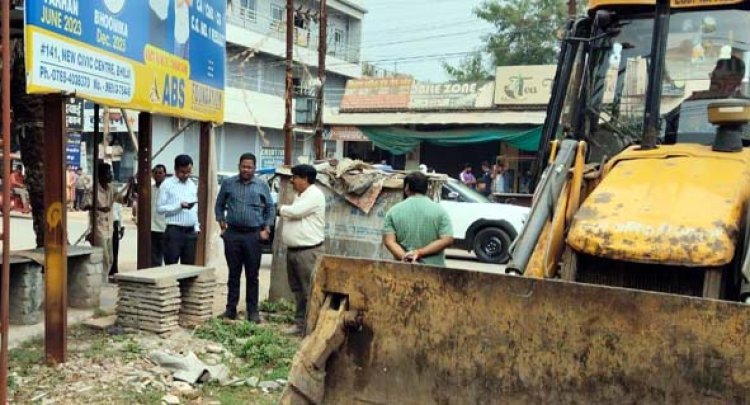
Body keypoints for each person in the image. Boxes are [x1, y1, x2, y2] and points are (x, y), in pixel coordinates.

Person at [215, 153, 275, 323]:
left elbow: (270, 208)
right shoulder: (228, 183)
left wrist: (266, 229)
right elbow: (219, 205)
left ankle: (253, 311)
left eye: (249, 167)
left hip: (253, 235)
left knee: (252, 275)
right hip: (232, 234)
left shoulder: (262, 185)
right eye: (243, 167)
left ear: (254, 168)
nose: (246, 170)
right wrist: (222, 225)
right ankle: (230, 310)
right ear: (238, 166)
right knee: (233, 274)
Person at [279, 164, 326, 335]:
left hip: (308, 251)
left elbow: (295, 212)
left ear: (305, 178)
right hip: (294, 250)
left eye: (295, 177)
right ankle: (300, 324)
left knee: (309, 290)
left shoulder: (314, 195)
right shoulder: (301, 195)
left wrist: (280, 209)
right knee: (298, 290)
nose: (292, 181)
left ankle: (312, 326)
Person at [383, 171, 454, 266]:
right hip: (434, 272)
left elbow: (389, 241)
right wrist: (419, 252)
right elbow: (447, 240)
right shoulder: (440, 211)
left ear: (407, 187)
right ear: (426, 189)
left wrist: (406, 257)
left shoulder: (393, 211)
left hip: (403, 271)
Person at [85, 162, 130, 282]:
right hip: (98, 227)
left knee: (110, 258)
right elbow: (84, 206)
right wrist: (99, 208)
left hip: (109, 227)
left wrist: (130, 186)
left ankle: (102, 280)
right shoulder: (93, 190)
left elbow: (124, 200)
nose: (111, 175)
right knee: (103, 257)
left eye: (111, 172)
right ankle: (100, 282)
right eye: (108, 173)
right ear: (101, 175)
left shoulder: (111, 189)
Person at [157, 154, 199, 265]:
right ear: (175, 170)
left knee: (189, 267)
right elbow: (160, 208)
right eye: (182, 172)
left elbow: (195, 207)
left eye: (188, 172)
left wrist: (196, 227)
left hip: (191, 232)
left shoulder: (192, 184)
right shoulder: (167, 184)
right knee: (171, 266)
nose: (186, 175)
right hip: (174, 232)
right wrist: (178, 206)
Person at [151, 165, 168, 267]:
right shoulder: (150, 189)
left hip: (163, 227)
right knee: (153, 256)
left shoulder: (167, 189)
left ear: (165, 174)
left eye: (160, 173)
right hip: (152, 227)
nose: (158, 175)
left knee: (164, 254)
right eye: (156, 173)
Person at [110, 201, 125, 279]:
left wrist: (122, 227)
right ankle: (111, 269)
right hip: (107, 222)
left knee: (114, 248)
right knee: (110, 248)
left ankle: (113, 269)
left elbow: (120, 213)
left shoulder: (116, 199)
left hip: (114, 223)